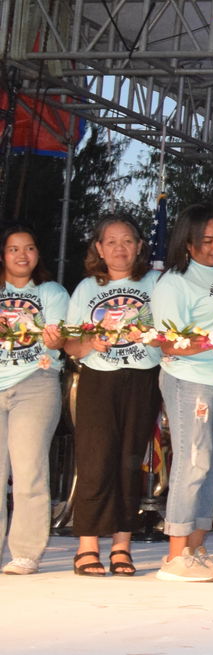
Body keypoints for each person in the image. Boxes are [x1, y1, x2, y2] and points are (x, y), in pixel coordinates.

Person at [64, 217, 162, 577]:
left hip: (142, 378)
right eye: (111, 242)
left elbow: (173, 334)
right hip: (98, 381)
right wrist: (90, 342)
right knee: (95, 460)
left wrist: (150, 335)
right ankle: (87, 546)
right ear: (99, 249)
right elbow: (70, 344)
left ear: (139, 246)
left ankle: (122, 545)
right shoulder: (87, 287)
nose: (120, 248)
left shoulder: (157, 283)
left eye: (127, 241)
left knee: (129, 461)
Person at [151, 204, 213, 582]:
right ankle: (175, 555)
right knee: (193, 462)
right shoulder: (175, 282)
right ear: (187, 244)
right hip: (191, 379)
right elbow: (168, 343)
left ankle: (196, 548)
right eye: (206, 241)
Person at [0, 226, 68, 576]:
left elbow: (58, 341)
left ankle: (26, 552)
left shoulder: (51, 292)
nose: (22, 255)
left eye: (28, 248)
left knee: (29, 470)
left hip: (35, 384)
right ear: (3, 255)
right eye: (13, 249)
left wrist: (56, 341)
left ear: (38, 253)